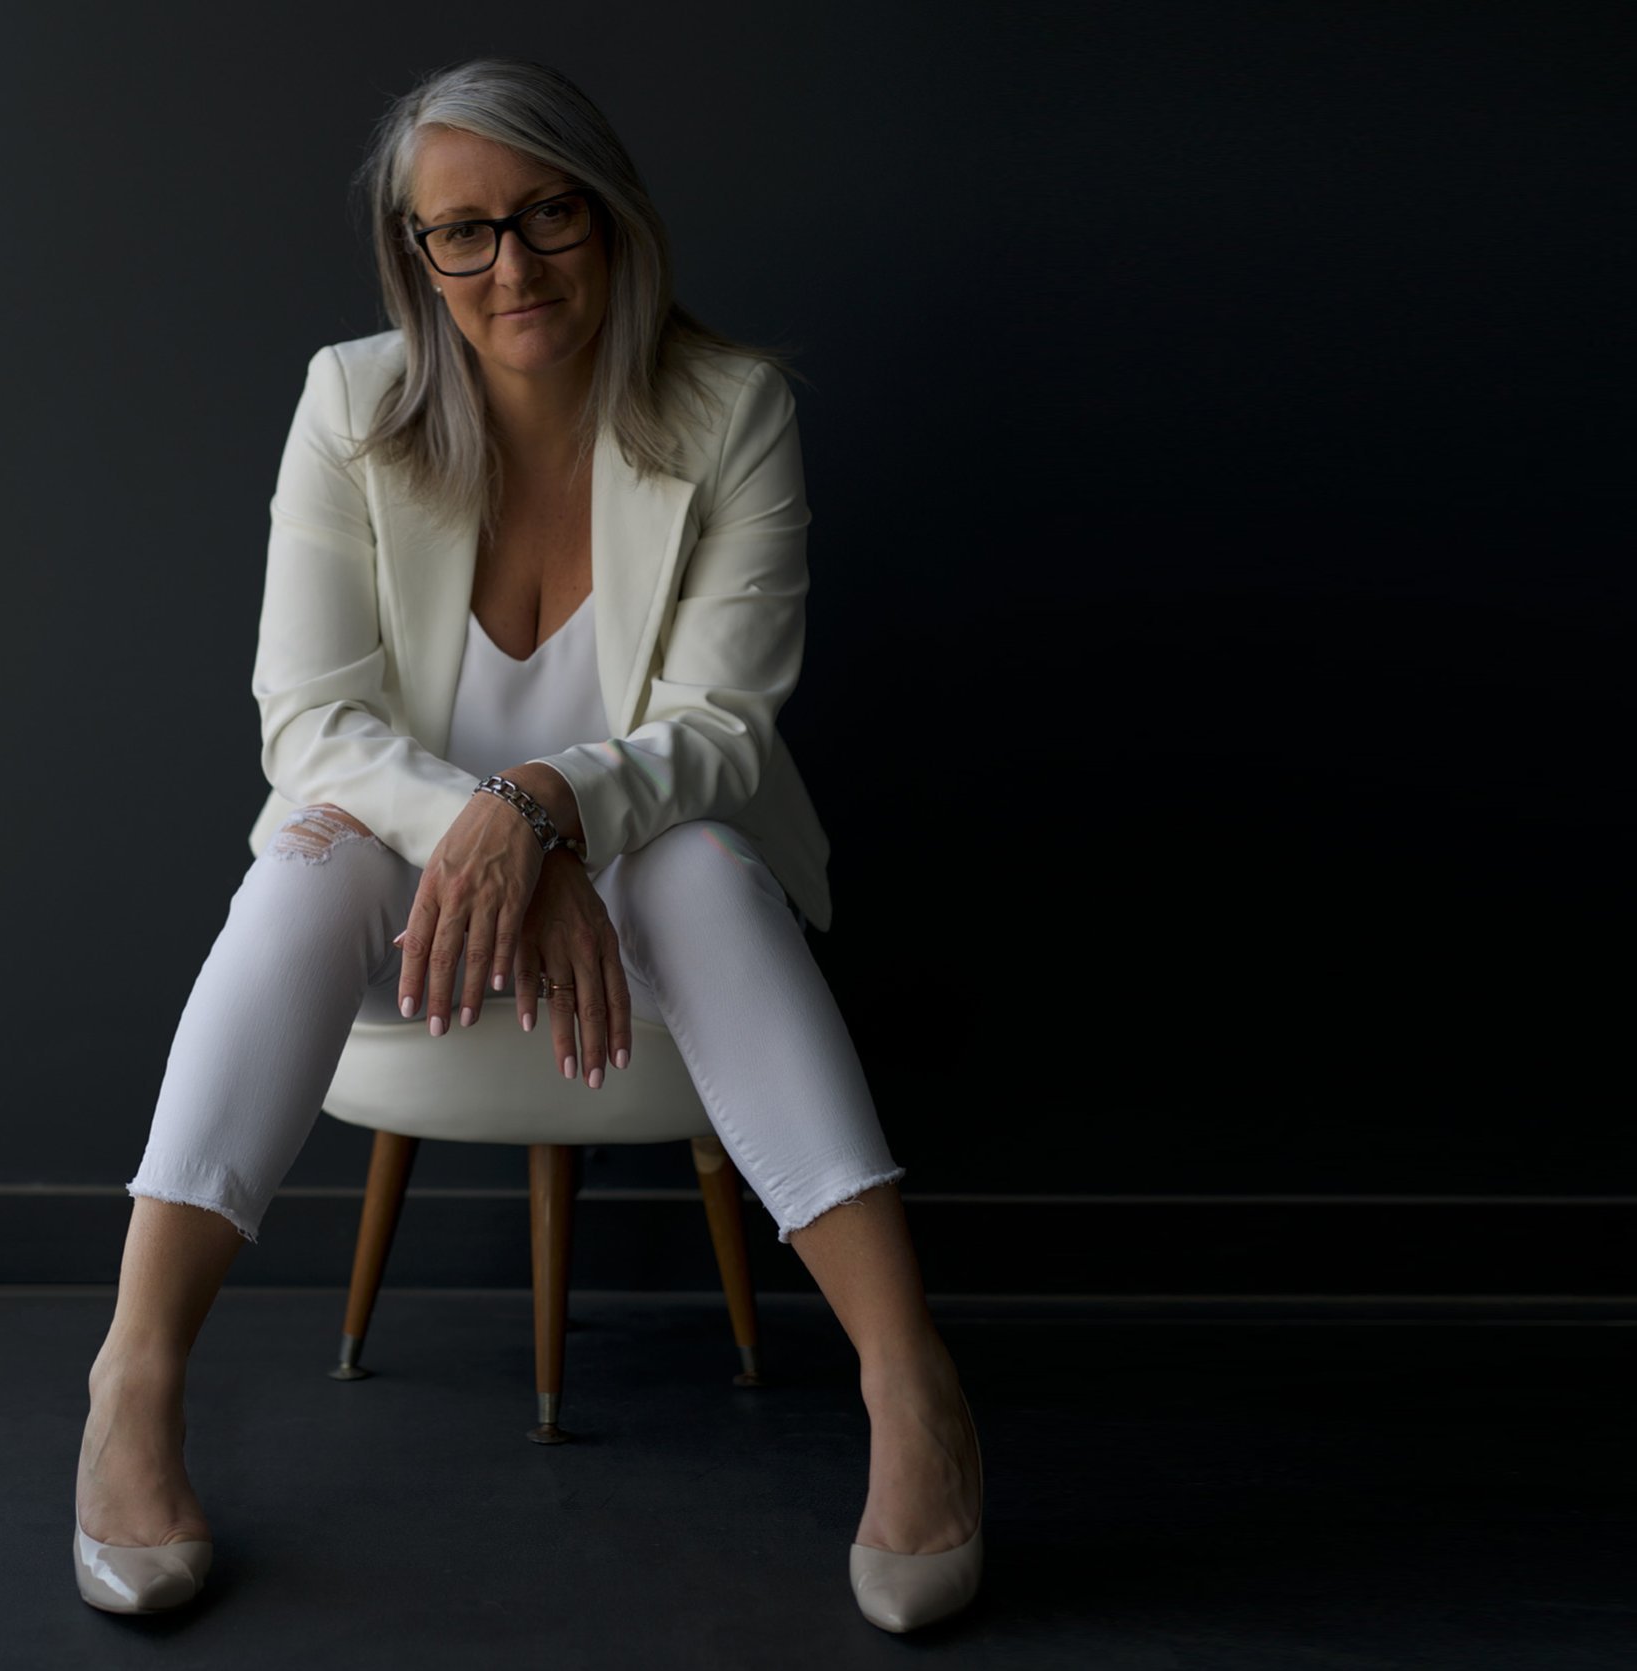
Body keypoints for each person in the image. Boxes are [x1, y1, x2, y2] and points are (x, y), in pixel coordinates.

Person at [73, 55, 985, 1634]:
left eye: (549, 214)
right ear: (415, 255)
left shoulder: (730, 411)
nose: (512, 266)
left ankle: (915, 1393)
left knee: (698, 860)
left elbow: (723, 727)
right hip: (404, 888)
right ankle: (131, 1384)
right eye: (464, 232)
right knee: (305, 862)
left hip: (650, 882)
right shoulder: (352, 405)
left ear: (610, 216)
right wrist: (493, 829)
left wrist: (550, 810)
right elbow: (310, 719)